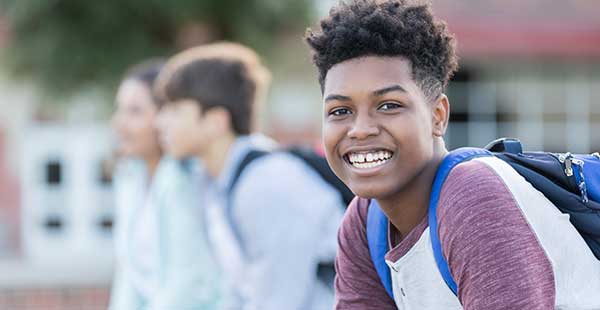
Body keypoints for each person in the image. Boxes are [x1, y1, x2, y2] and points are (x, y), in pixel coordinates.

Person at [305, 0, 600, 309]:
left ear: (438, 116)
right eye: (340, 111)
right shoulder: (367, 221)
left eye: (389, 105)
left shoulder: (472, 198)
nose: (360, 130)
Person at [155, 42, 345, 310]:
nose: (160, 122)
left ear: (216, 122)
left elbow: (282, 298)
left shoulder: (266, 184)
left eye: (174, 110)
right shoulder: (220, 182)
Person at [109, 60, 222, 309]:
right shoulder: (130, 177)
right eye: (120, 109)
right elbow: (128, 277)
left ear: (165, 116)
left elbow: (187, 284)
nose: (120, 122)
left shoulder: (185, 180)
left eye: (135, 111)